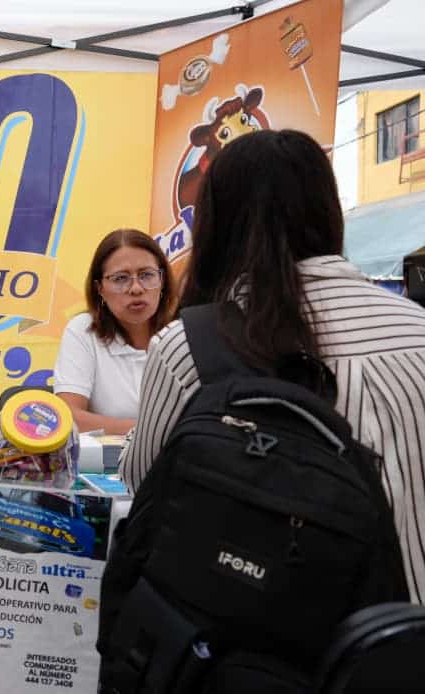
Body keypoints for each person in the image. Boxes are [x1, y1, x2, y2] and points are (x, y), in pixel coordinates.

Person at [119, 128, 425, 603]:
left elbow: (144, 481)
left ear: (215, 224)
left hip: (273, 624)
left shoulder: (189, 346)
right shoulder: (416, 327)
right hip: (404, 628)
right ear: (328, 210)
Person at [52, 229, 176, 434]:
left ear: (162, 281)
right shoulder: (83, 330)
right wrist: (148, 433)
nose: (136, 288)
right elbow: (68, 416)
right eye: (120, 279)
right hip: (111, 455)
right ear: (100, 288)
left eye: (147, 275)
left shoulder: (184, 330)